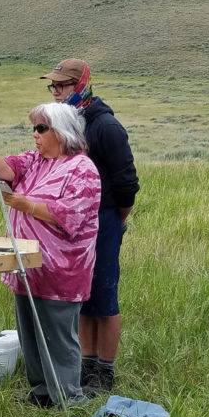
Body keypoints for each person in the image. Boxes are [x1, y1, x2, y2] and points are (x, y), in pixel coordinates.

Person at [0, 103, 101, 408]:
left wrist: (26, 205)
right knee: (30, 335)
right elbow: (8, 169)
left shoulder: (82, 169)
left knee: (58, 338)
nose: (35, 135)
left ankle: (68, 399)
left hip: (61, 270)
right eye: (34, 128)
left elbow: (73, 216)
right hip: (26, 265)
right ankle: (41, 394)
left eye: (42, 128)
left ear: (62, 132)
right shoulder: (36, 161)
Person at [41, 58, 139, 396]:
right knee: (81, 294)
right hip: (75, 222)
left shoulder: (106, 126)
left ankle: (105, 372)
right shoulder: (69, 123)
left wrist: (117, 218)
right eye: (52, 86)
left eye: (62, 86)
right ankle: (87, 366)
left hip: (105, 218)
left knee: (104, 295)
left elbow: (127, 183)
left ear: (81, 85)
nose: (56, 92)